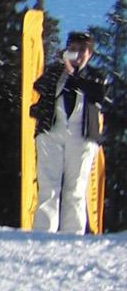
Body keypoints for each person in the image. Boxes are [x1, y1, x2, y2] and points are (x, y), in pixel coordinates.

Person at [31, 30, 114, 234]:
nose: (77, 54)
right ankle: (43, 231)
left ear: (89, 54)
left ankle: (73, 234)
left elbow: (98, 94)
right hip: (52, 131)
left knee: (76, 188)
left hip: (82, 136)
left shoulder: (95, 76)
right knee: (48, 185)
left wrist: (73, 75)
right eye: (73, 49)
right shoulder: (55, 72)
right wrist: (61, 69)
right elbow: (38, 86)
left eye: (82, 50)